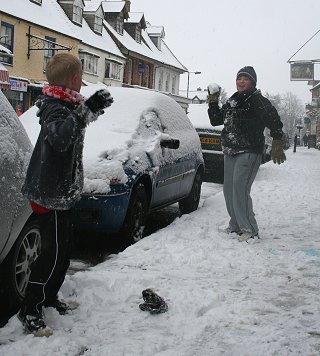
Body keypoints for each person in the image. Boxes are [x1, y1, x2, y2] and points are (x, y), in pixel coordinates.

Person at [19, 53, 113, 336]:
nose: (83, 83)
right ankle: (31, 309)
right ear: (73, 80)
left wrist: (89, 110)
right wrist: (87, 111)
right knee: (52, 254)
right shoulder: (53, 107)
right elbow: (60, 137)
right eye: (81, 78)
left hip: (62, 193)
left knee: (63, 252)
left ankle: (48, 298)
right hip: (50, 194)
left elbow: (71, 129)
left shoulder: (66, 105)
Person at [207, 66, 286, 242]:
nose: (241, 81)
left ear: (252, 82)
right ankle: (235, 225)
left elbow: (274, 121)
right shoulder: (233, 100)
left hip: (249, 150)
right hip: (230, 149)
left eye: (245, 79)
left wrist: (277, 141)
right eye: (239, 78)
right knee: (229, 190)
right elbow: (216, 120)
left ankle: (249, 229)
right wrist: (213, 101)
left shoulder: (258, 101)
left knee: (240, 189)